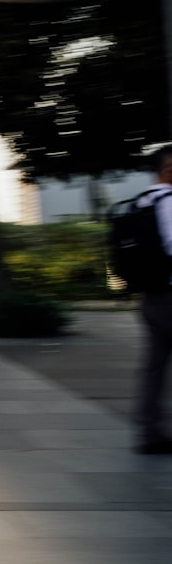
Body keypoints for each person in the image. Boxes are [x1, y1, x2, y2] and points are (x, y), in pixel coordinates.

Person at [136, 144, 172, 454]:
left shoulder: (145, 200)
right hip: (170, 298)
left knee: (155, 366)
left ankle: (150, 432)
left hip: (153, 297)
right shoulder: (169, 203)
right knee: (156, 366)